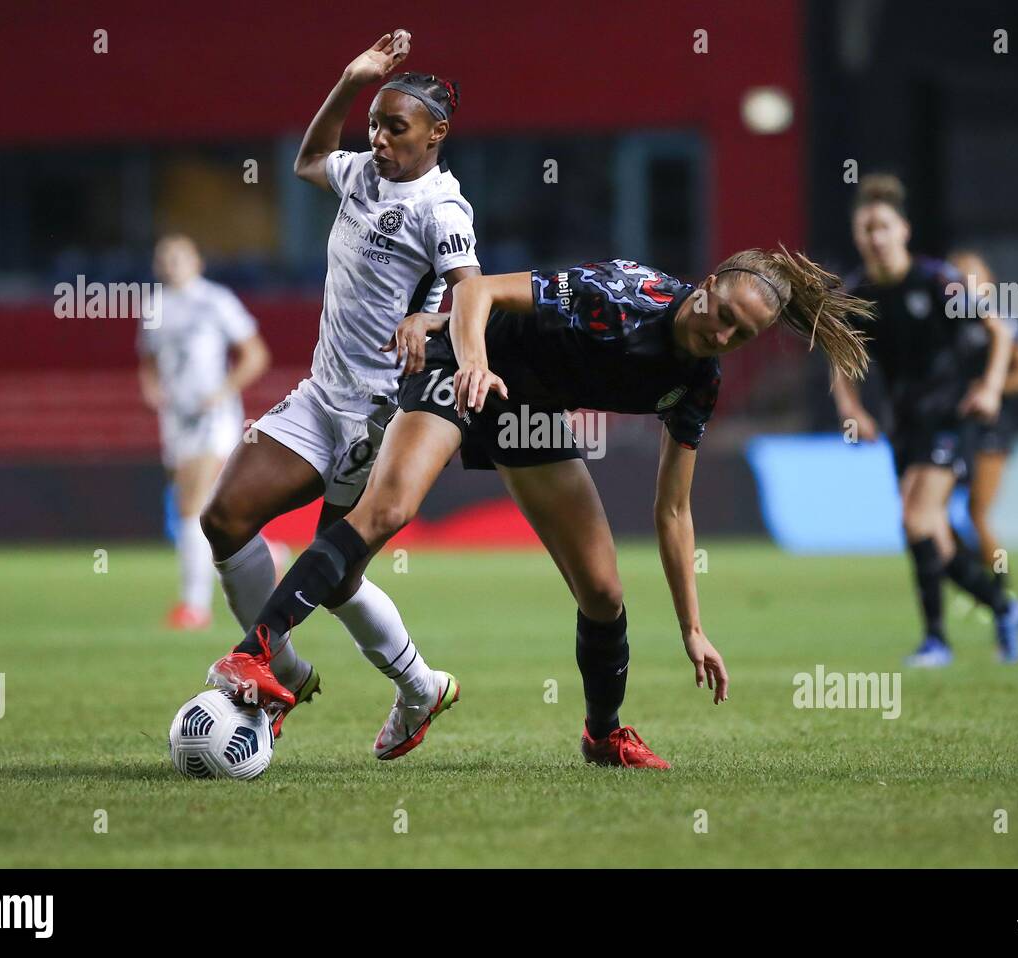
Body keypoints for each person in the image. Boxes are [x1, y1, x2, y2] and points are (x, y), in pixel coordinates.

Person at [211, 249, 875, 767]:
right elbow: (477, 290)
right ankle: (254, 655)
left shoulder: (696, 382)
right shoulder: (618, 296)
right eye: (722, 312)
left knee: (605, 592)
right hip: (466, 366)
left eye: (740, 335)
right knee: (390, 509)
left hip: (526, 410)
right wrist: (471, 360)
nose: (721, 333)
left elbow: (673, 511)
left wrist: (692, 629)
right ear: (705, 285)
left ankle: (603, 735)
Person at [197, 30, 481, 729]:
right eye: (375, 124)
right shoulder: (362, 174)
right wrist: (351, 80)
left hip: (376, 419)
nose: (379, 139)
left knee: (337, 575)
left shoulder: (441, 209)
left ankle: (420, 687)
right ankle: (284, 668)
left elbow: (471, 291)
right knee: (223, 518)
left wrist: (434, 325)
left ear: (436, 133)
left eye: (396, 127)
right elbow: (310, 159)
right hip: (319, 395)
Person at [832, 174, 1018, 667]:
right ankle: (1004, 606)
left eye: (882, 225)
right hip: (904, 425)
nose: (874, 236)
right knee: (934, 538)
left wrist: (988, 387)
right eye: (865, 228)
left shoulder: (939, 281)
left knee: (915, 519)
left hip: (949, 417)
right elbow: (838, 355)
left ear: (903, 230)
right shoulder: (857, 293)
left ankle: (936, 640)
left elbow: (1001, 331)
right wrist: (851, 409)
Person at [137, 235, 270, 629]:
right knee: (205, 506)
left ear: (197, 261)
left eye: (179, 256)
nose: (171, 263)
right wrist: (152, 388)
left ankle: (194, 606)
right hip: (176, 418)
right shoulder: (155, 307)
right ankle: (269, 555)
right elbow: (147, 358)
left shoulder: (215, 301)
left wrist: (223, 391)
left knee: (189, 507)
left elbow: (256, 354)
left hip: (212, 416)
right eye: (164, 257)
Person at [947, 249, 1018, 595]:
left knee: (977, 512)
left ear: (988, 284)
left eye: (973, 276)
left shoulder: (1001, 323)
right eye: (958, 277)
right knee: (936, 515)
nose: (965, 284)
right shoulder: (945, 324)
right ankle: (973, 576)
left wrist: (989, 387)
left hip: (989, 427)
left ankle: (1002, 586)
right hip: (953, 425)